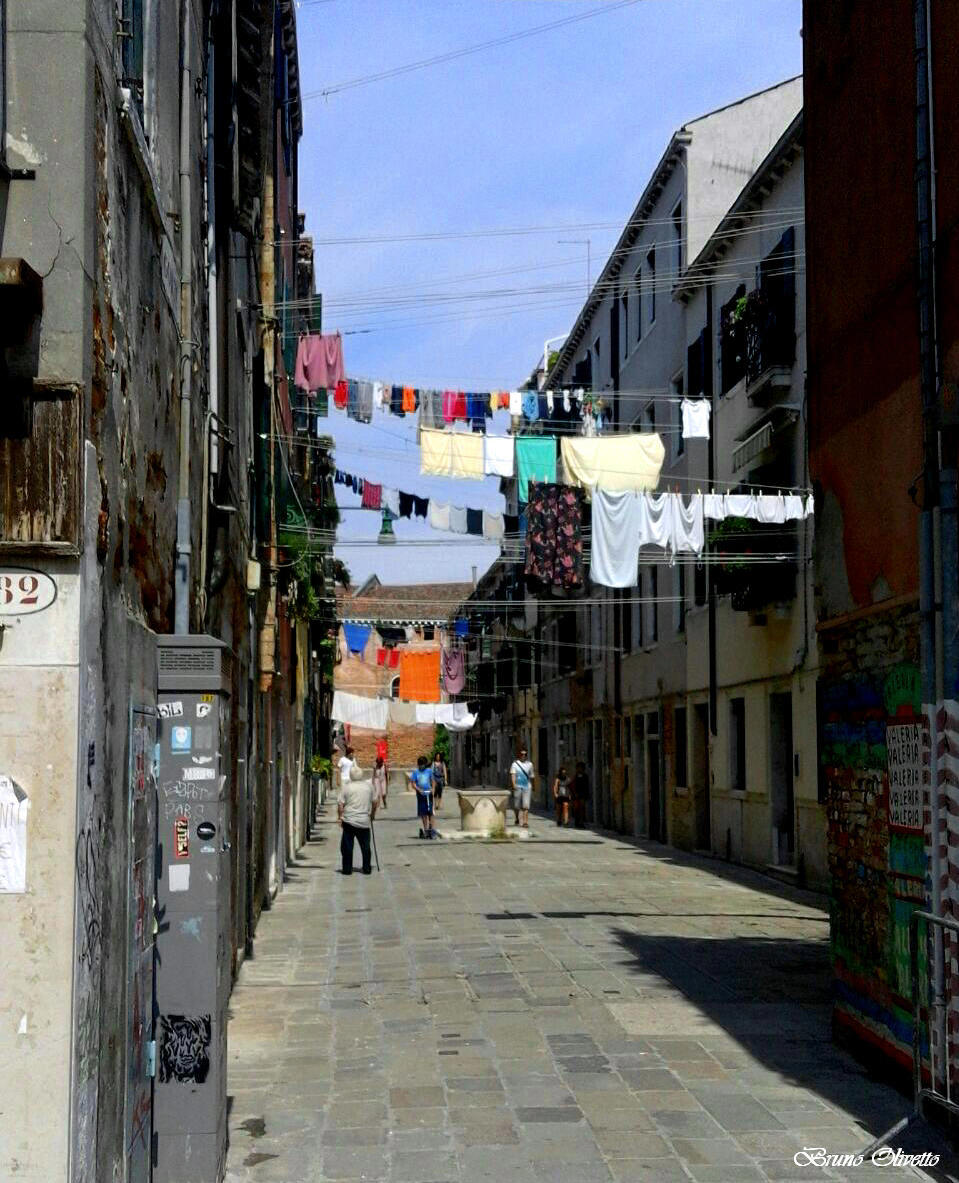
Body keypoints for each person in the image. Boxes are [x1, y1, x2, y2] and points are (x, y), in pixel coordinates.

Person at [337, 760, 377, 874]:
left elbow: (340, 804)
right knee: (365, 847)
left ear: (351, 775)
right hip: (364, 821)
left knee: (347, 847)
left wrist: (340, 817)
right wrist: (372, 815)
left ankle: (347, 869)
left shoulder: (347, 787)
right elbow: (375, 802)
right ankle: (367, 868)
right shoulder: (369, 787)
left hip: (349, 820)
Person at [409, 756, 436, 839]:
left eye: (423, 764)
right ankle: (425, 829)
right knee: (423, 813)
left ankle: (432, 828)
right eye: (420, 764)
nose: (421, 766)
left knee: (430, 812)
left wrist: (433, 789)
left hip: (429, 793)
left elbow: (433, 781)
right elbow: (413, 783)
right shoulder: (416, 772)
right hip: (421, 795)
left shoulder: (429, 771)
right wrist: (418, 789)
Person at [510, 746, 535, 829]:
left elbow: (532, 776)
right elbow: (513, 775)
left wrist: (533, 786)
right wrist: (514, 785)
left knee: (526, 805)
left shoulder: (530, 764)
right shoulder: (515, 764)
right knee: (516, 806)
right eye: (522, 754)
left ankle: (525, 822)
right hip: (518, 786)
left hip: (527, 787)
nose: (523, 756)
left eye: (525, 754)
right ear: (519, 755)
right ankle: (517, 818)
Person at [572, 761, 589, 829]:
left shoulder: (585, 776)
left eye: (581, 768)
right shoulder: (575, 776)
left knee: (582, 808)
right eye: (578, 768)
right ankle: (577, 821)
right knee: (576, 808)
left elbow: (586, 786)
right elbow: (573, 785)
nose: (579, 769)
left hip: (583, 794)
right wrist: (574, 793)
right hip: (576, 794)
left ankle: (581, 822)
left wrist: (586, 794)